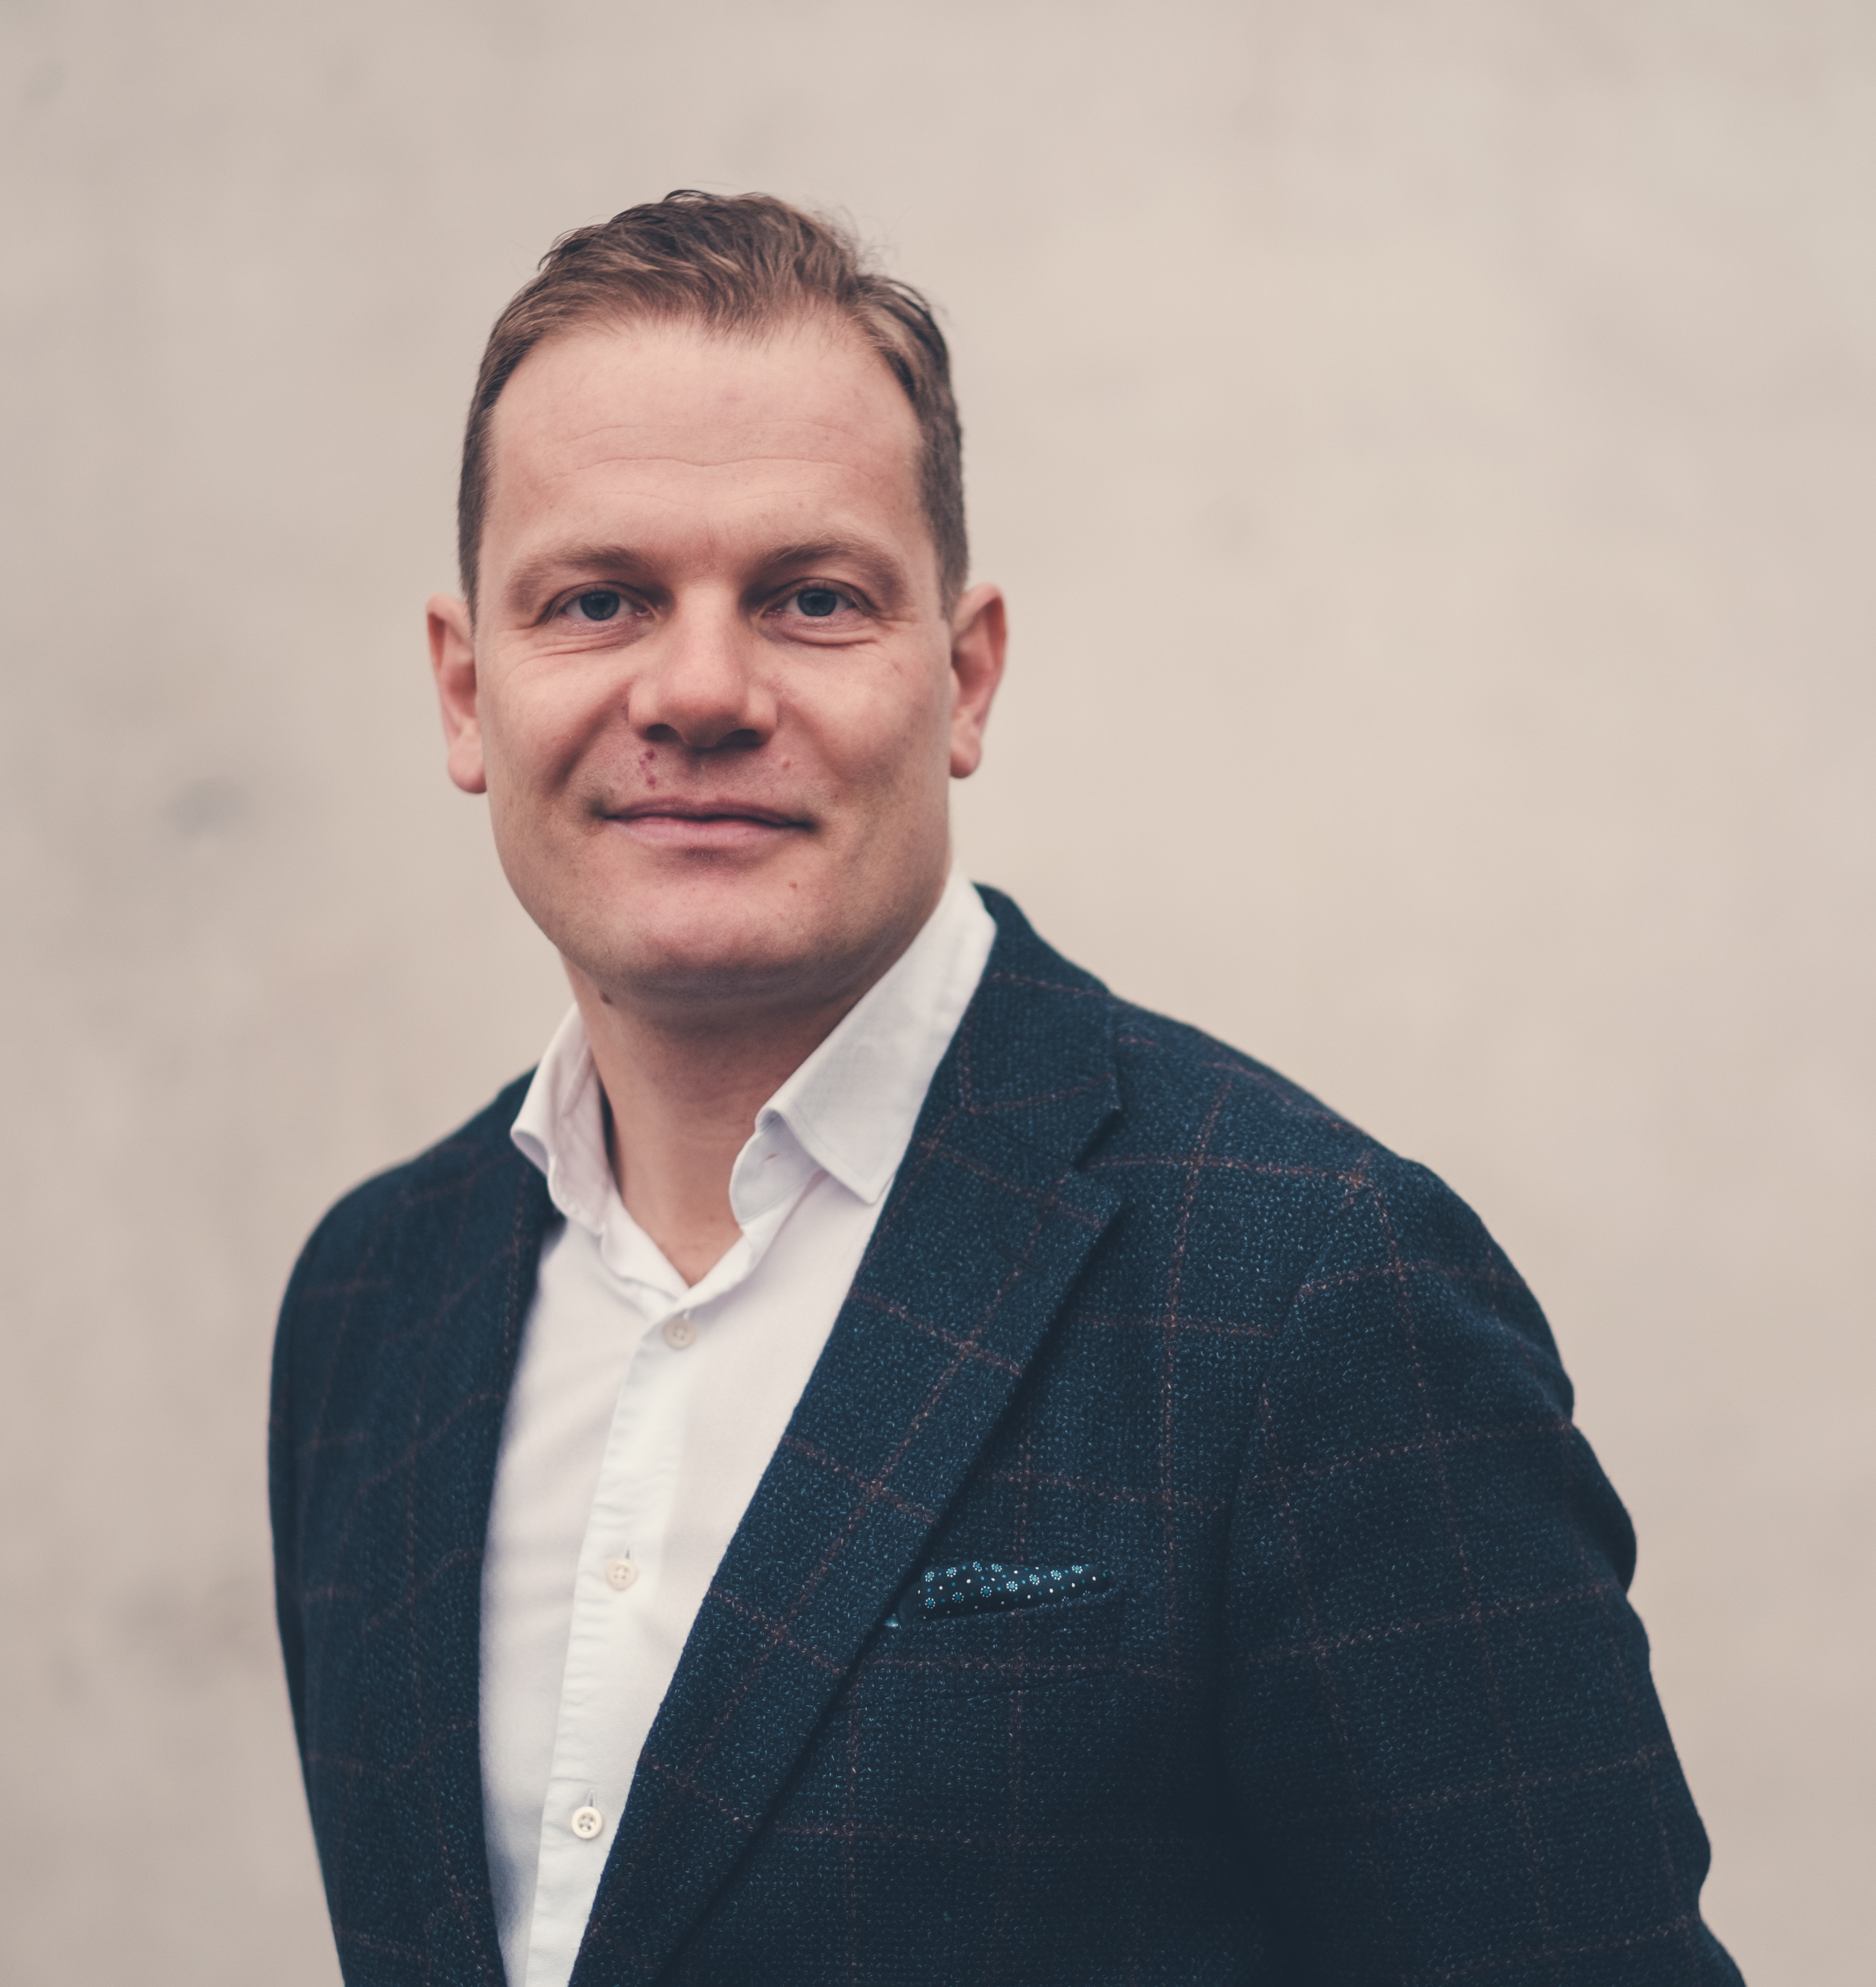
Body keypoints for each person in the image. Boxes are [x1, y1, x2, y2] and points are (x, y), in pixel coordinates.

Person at [270, 189, 1739, 1987]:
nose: (700, 687)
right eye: (598, 599)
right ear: (463, 688)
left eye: (811, 598)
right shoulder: (371, 1303)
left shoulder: (1311, 1291)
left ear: (962, 677)